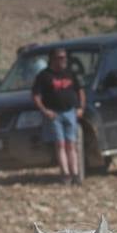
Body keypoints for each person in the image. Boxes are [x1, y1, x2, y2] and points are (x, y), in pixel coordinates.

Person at [31, 48, 84, 185]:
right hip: (54, 114)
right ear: (52, 59)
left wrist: (80, 108)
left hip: (70, 112)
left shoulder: (70, 73)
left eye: (64, 57)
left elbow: (80, 91)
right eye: (60, 58)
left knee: (71, 144)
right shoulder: (44, 76)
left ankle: (76, 174)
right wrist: (45, 111)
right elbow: (36, 96)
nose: (63, 60)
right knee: (60, 144)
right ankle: (65, 174)